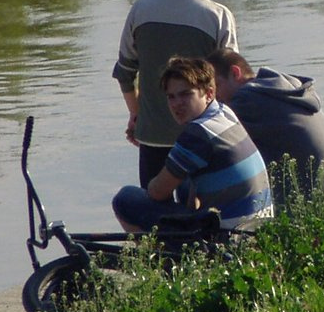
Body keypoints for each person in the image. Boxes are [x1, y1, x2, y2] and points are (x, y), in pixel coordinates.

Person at [114, 0, 238, 188]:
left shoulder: (140, 11)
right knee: (201, 209)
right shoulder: (219, 16)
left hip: (153, 136)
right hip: (203, 136)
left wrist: (138, 115)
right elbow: (229, 82)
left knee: (153, 209)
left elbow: (125, 74)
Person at [112, 57, 273, 232]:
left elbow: (157, 192)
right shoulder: (224, 113)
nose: (176, 104)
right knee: (184, 179)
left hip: (229, 237)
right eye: (171, 97)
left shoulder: (198, 133)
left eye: (186, 94)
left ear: (209, 93)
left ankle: (160, 255)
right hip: (259, 231)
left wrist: (155, 185)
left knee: (126, 199)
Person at [206, 48, 324, 209]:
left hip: (310, 210)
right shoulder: (282, 91)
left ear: (235, 73)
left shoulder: (248, 99)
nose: (213, 97)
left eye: (216, 85)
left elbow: (208, 144)